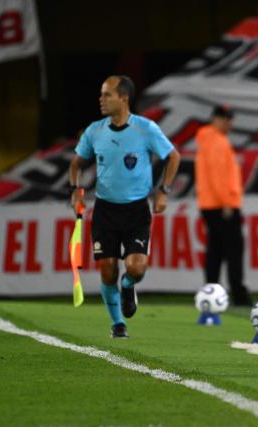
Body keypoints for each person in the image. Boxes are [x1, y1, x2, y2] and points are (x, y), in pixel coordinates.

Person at [69, 75, 180, 338]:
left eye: (107, 94)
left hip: (136, 211)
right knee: (107, 269)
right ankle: (117, 323)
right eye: (101, 94)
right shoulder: (94, 131)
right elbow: (76, 165)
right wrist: (76, 191)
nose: (101, 99)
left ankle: (128, 285)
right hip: (105, 211)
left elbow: (173, 157)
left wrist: (163, 191)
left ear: (124, 98)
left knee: (135, 268)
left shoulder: (145, 129)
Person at [194, 105, 252, 306]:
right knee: (233, 251)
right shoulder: (217, 141)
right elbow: (219, 176)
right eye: (226, 119)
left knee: (215, 251)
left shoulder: (207, 139)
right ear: (215, 119)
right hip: (222, 205)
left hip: (210, 204)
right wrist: (227, 202)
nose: (230, 123)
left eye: (230, 119)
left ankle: (211, 292)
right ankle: (239, 295)